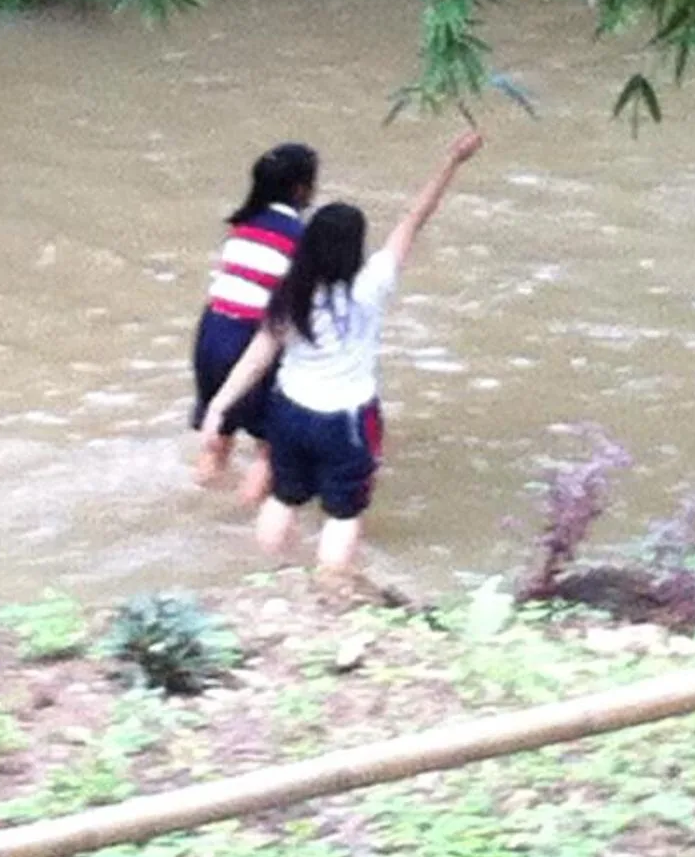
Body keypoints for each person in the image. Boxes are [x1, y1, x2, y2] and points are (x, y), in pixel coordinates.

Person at [197, 128, 483, 575]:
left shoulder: (288, 293)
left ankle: (266, 582)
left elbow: (257, 356)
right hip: (345, 420)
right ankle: (329, 594)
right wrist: (452, 161)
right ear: (355, 249)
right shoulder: (371, 286)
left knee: (284, 498)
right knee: (343, 515)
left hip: (288, 412)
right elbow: (414, 219)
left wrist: (218, 406)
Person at [190, 142, 320, 504]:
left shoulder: (242, 225)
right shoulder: (300, 236)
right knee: (270, 446)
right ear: (299, 189)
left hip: (212, 331)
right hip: (251, 336)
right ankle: (240, 523)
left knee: (219, 432)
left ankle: (201, 498)